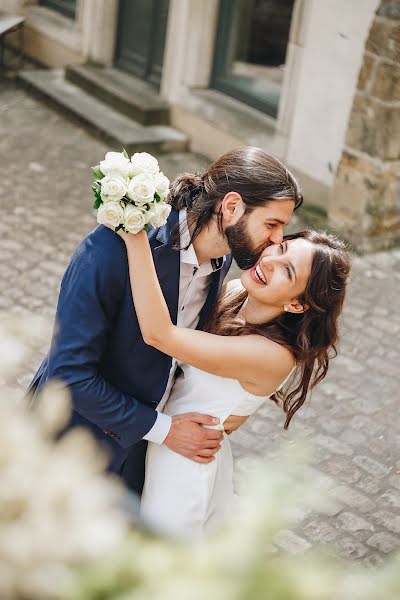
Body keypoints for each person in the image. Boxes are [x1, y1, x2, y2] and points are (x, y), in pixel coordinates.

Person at [27, 146, 303, 495]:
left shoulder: (223, 261)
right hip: (67, 447)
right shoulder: (110, 250)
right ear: (231, 207)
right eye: (272, 224)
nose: (278, 239)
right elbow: (68, 376)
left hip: (142, 463)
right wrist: (165, 430)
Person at [111, 224, 350, 539]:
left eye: (287, 272)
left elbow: (160, 335)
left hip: (183, 462)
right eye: (279, 250)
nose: (269, 262)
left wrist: (135, 235)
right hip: (162, 434)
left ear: (297, 304)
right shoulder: (238, 291)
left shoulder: (273, 355)